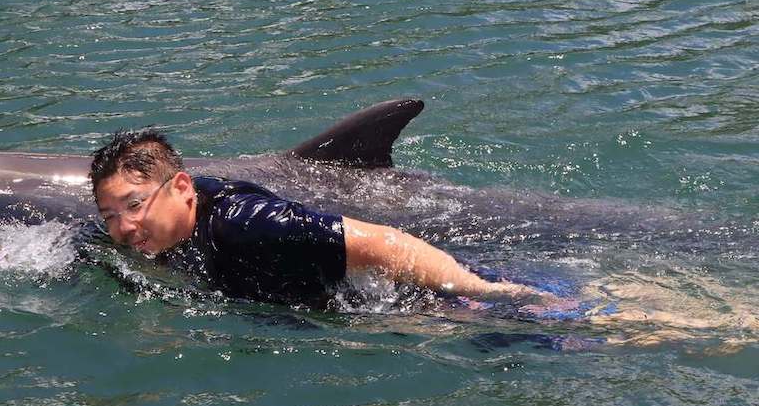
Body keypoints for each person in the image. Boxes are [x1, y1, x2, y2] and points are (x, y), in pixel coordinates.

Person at [88, 129, 556, 308]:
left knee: (589, 327)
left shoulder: (249, 222)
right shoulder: (167, 229)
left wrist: (487, 294)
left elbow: (385, 243)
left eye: (134, 206)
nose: (123, 227)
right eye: (110, 215)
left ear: (183, 187)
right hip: (345, 304)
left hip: (432, 299)